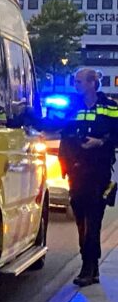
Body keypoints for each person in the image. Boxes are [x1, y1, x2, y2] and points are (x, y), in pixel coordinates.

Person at [58, 68, 118, 287]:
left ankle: (88, 268)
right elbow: (56, 126)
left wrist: (101, 142)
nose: (76, 84)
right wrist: (25, 115)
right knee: (81, 222)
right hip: (76, 172)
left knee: (93, 221)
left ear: (93, 83)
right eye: (75, 81)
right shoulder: (72, 106)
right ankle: (91, 265)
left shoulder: (110, 107)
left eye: (80, 81)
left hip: (98, 172)